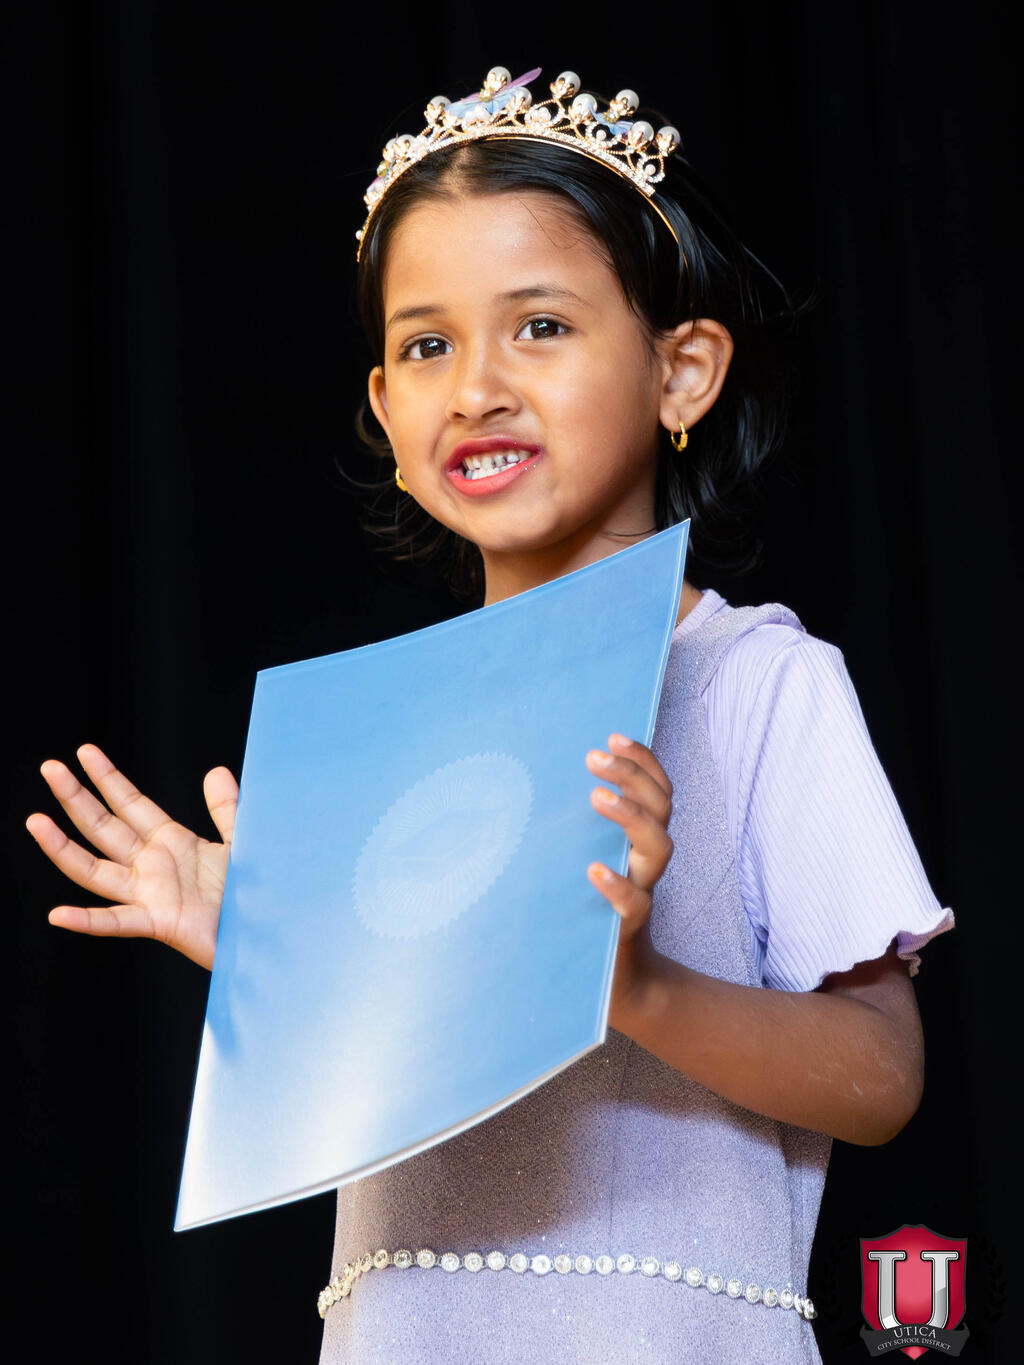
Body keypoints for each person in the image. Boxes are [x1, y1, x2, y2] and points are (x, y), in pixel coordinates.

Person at [26, 66, 953, 1364]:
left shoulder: (758, 680)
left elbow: (882, 1078)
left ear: (683, 370)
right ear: (386, 413)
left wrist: (631, 983)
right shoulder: (388, 735)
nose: (476, 387)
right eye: (428, 346)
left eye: (541, 326)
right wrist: (285, 962)